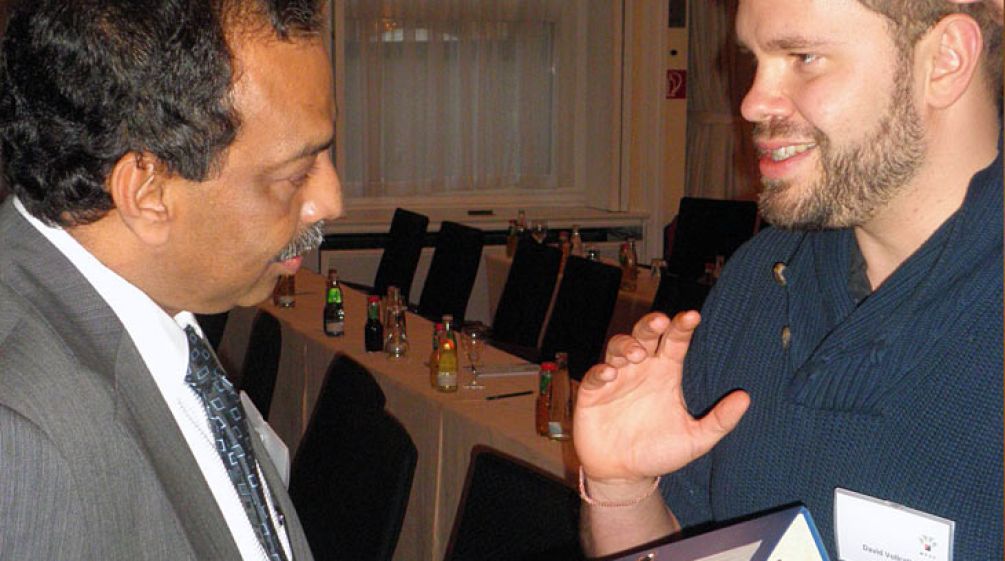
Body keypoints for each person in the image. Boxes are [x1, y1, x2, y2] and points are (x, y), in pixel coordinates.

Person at [574, 0, 1002, 559]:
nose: (752, 102)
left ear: (945, 61)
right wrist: (623, 487)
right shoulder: (759, 277)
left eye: (804, 57)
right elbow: (685, 546)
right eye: (754, 60)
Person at [0, 0, 342, 559]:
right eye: (295, 172)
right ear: (149, 193)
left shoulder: (148, 298)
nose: (330, 201)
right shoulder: (23, 437)